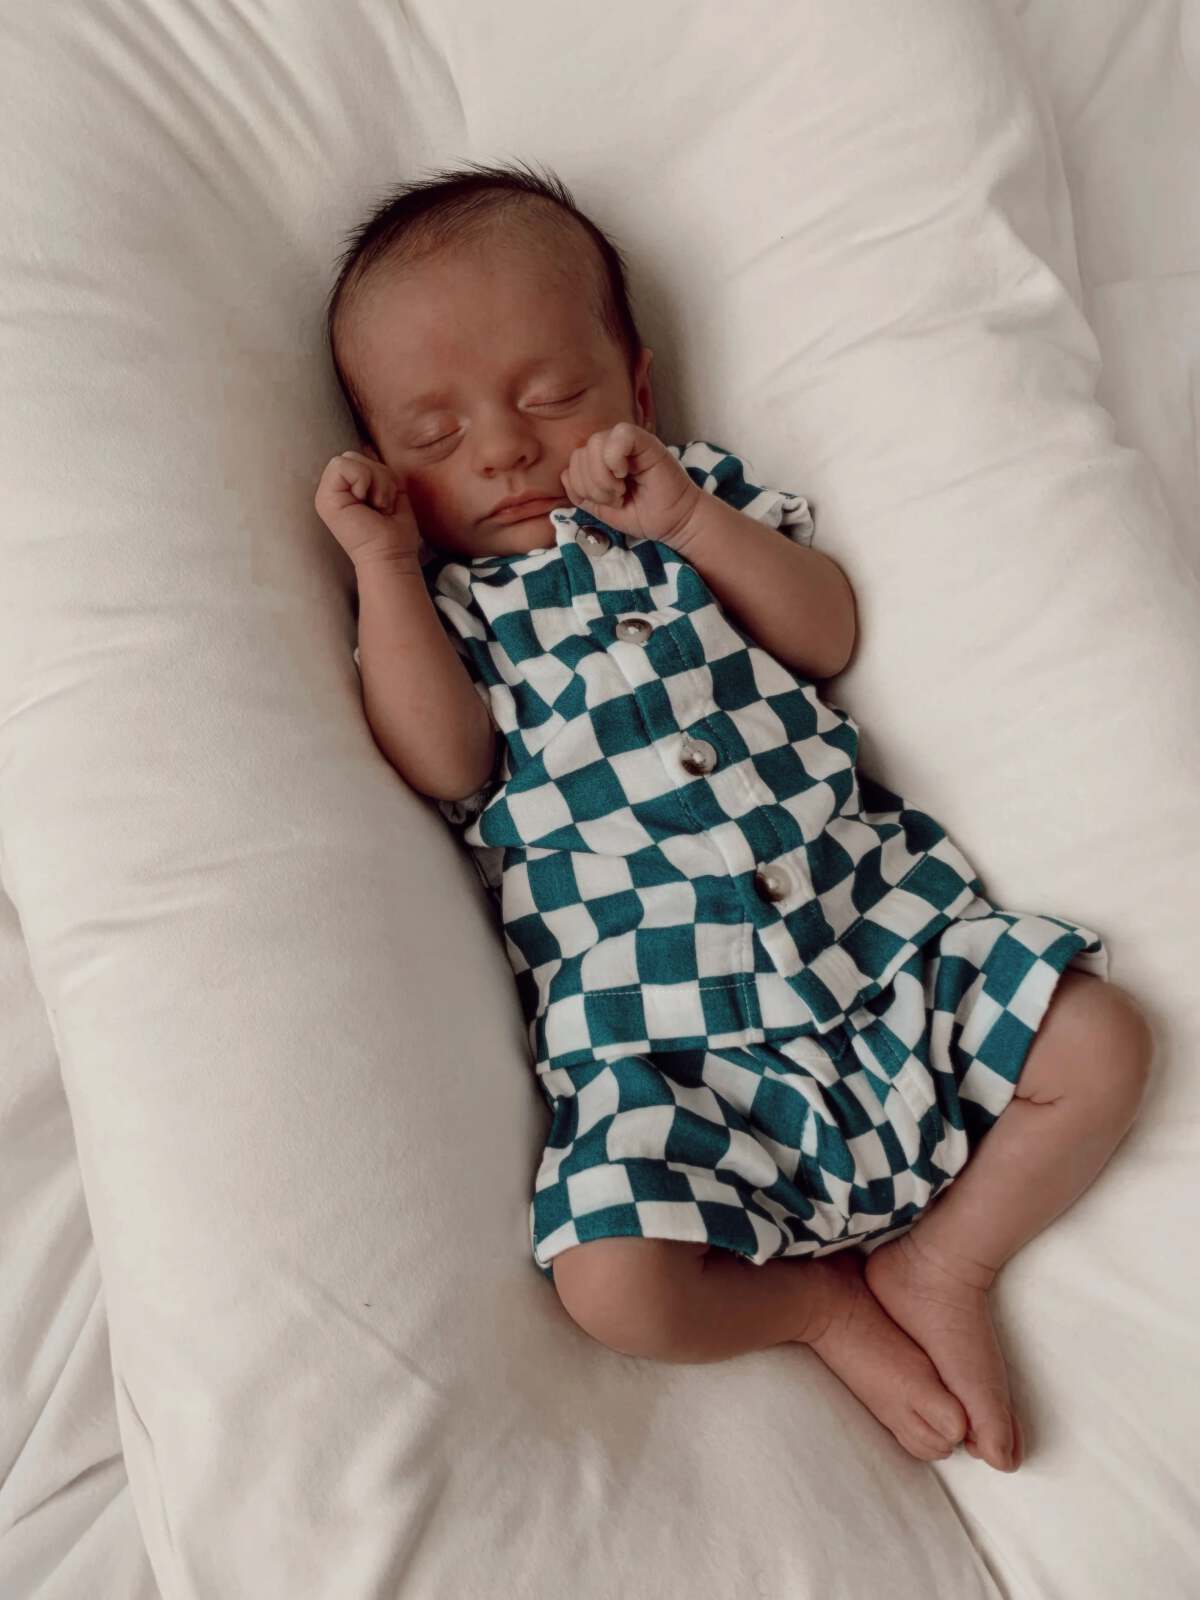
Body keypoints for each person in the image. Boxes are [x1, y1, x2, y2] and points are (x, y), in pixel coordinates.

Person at [314, 160, 1153, 1474]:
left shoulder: (688, 509)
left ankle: (949, 1260)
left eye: (551, 398)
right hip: (678, 1055)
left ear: (637, 393)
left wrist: (695, 520)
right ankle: (816, 1306)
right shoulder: (450, 613)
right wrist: (380, 567)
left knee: (1101, 1044)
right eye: (434, 437)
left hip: (882, 950)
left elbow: (824, 633)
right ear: (386, 464)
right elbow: (440, 760)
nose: (502, 447)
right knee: (614, 1282)